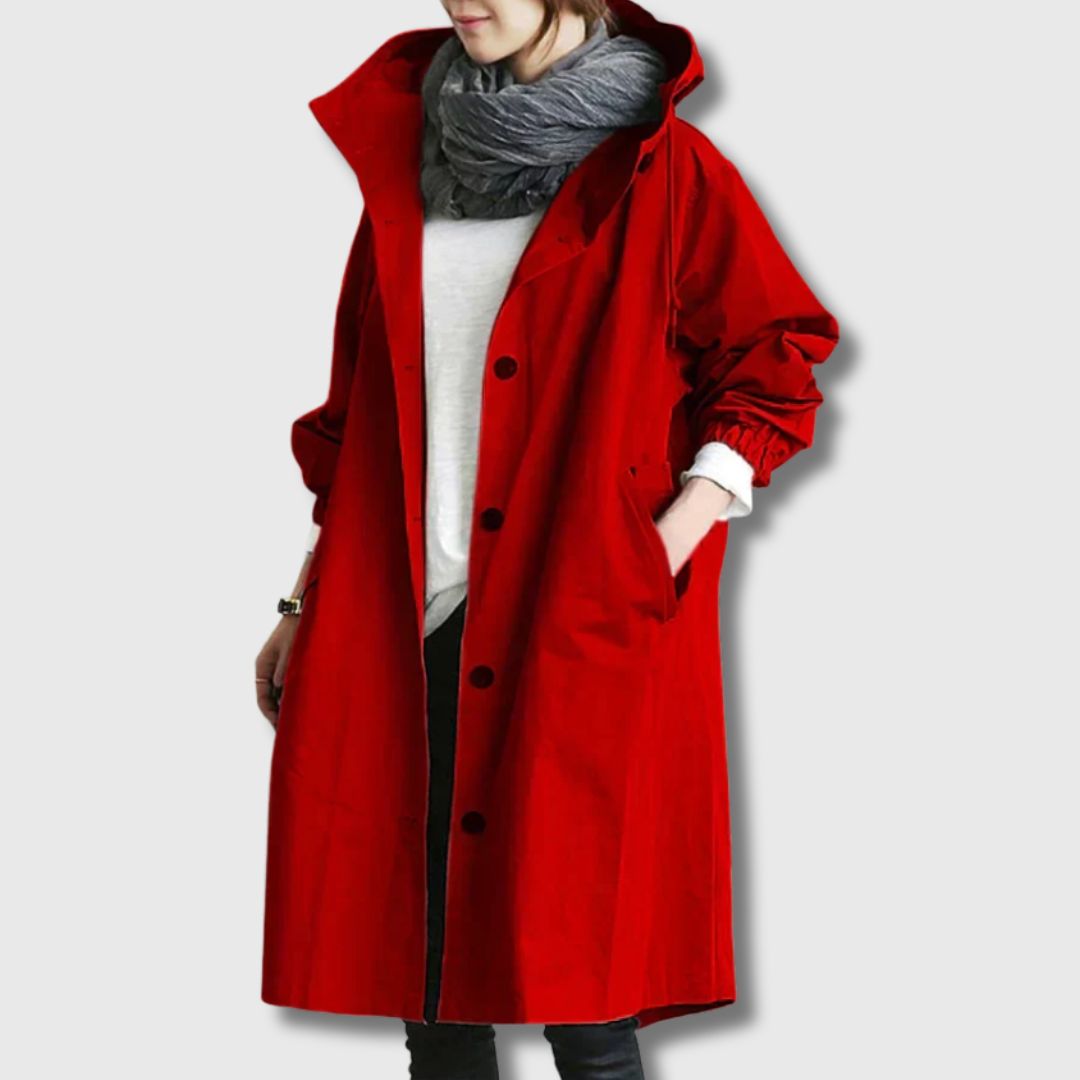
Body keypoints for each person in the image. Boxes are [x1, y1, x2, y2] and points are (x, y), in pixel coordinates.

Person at [255, 1, 840, 1077]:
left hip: (572, 621)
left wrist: (658, 544)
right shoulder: (412, 173)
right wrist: (304, 598)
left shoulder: (668, 173)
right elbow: (358, 414)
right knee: (429, 990)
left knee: (585, 994)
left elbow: (772, 358)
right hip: (403, 619)